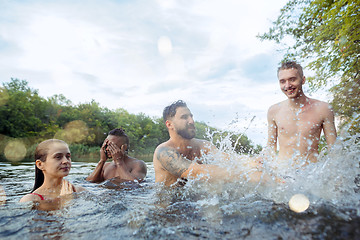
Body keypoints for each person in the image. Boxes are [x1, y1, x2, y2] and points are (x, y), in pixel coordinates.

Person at [153, 100, 265, 186]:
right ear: (169, 124)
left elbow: (226, 158)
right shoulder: (164, 152)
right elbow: (197, 172)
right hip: (168, 210)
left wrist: (251, 163)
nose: (191, 121)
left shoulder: (203, 145)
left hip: (193, 202)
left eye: (191, 116)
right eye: (184, 117)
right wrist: (248, 175)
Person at [267, 61, 337, 166]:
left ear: (303, 80)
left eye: (292, 79)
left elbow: (334, 150)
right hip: (283, 174)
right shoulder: (274, 111)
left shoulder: (323, 109)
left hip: (311, 174)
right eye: (282, 81)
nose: (287, 85)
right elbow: (270, 150)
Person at [19, 139, 84, 203]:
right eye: (58, 157)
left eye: (68, 156)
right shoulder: (31, 200)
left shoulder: (79, 191)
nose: (66, 161)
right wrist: (66, 201)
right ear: (40, 164)